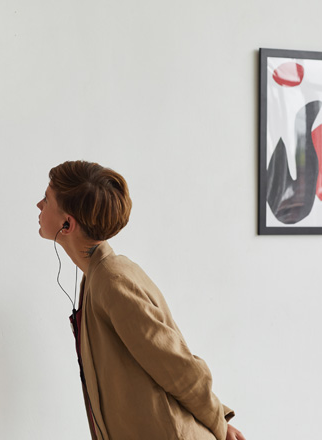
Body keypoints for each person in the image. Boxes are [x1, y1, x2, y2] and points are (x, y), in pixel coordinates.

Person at [37, 160, 245, 440]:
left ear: (67, 223)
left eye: (47, 199)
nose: (39, 205)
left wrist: (219, 423)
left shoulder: (112, 281)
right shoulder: (96, 276)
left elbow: (177, 366)